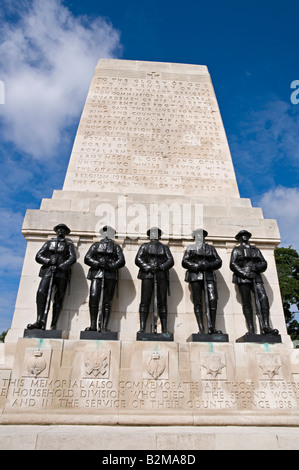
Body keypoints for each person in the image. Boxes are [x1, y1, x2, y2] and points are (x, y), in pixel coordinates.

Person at [27, 224, 76, 330]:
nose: (60, 231)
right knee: (41, 292)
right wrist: (48, 261)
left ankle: (54, 324)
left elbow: (72, 258)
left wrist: (61, 266)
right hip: (48, 271)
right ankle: (39, 320)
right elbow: (38, 256)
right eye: (58, 229)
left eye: (63, 230)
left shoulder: (69, 245)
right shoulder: (49, 243)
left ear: (66, 232)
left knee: (59, 297)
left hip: (62, 273)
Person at [230, 229, 278, 335]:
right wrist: (245, 273)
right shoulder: (236, 250)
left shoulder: (255, 249)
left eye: (246, 235)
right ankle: (251, 329)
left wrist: (256, 268)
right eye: (242, 235)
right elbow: (233, 264)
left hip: (256, 276)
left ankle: (266, 326)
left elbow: (263, 263)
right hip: (243, 277)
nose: (245, 237)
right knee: (247, 303)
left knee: (263, 298)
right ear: (239, 238)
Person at [84, 226, 125, 332]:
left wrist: (110, 266)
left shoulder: (116, 247)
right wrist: (98, 263)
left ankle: (105, 326)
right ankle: (93, 325)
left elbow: (121, 261)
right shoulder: (96, 245)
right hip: (97, 274)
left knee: (107, 301)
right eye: (105, 232)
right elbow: (87, 258)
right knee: (93, 297)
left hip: (110, 275)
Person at [182, 228, 222, 334]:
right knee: (198, 301)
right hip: (195, 276)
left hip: (208, 275)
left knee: (213, 299)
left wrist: (209, 265)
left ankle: (212, 327)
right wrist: (196, 266)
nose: (200, 237)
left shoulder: (210, 248)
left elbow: (218, 261)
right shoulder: (191, 248)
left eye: (202, 235)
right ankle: (201, 329)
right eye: (198, 235)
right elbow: (185, 261)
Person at [135, 227, 174, 334]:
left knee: (162, 302)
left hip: (161, 275)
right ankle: (142, 328)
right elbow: (138, 259)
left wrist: (161, 267)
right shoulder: (144, 246)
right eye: (152, 233)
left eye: (156, 233)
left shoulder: (164, 247)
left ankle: (164, 328)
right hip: (147, 275)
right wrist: (148, 267)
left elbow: (170, 260)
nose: (154, 235)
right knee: (145, 301)